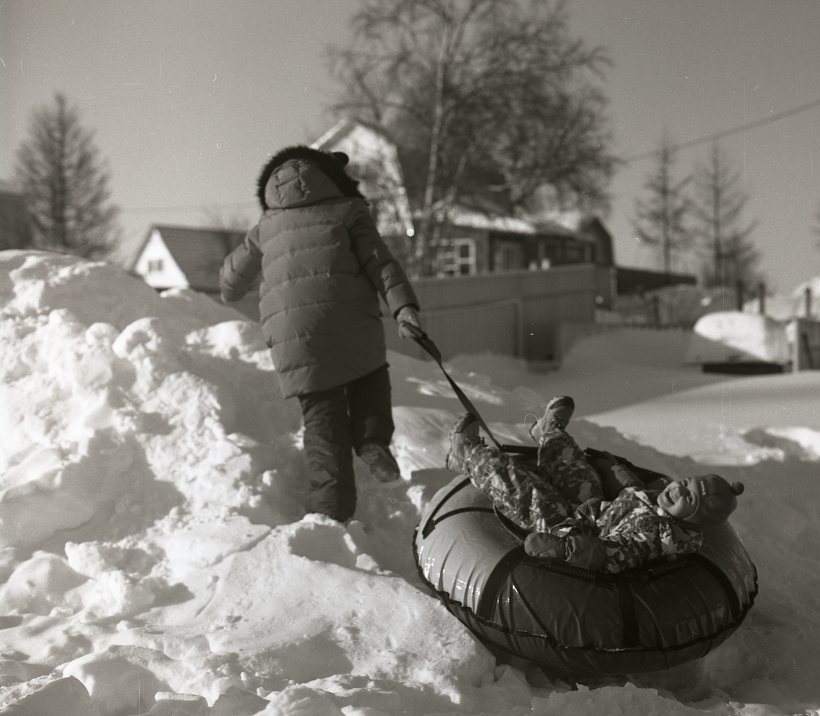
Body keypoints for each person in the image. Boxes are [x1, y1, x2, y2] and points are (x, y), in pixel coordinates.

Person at [220, 145, 422, 522]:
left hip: (295, 338)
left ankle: (332, 512)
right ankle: (372, 440)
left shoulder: (266, 227)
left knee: (322, 421)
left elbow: (230, 284)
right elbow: (380, 263)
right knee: (369, 375)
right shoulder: (348, 211)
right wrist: (403, 307)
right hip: (349, 320)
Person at [445, 396, 745, 573]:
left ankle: (467, 455)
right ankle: (549, 434)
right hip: (594, 511)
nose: (678, 489)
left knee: (530, 495)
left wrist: (566, 549)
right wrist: (616, 471)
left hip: (572, 529)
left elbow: (612, 555)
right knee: (581, 474)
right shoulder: (664, 504)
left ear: (690, 519)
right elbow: (635, 493)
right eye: (685, 483)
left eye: (688, 498)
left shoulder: (654, 535)